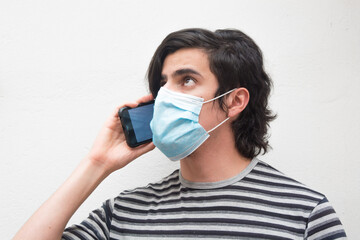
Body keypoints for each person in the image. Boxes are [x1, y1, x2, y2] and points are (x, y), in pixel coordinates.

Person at [13, 28, 347, 240]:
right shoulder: (126, 212)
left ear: (234, 101)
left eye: (186, 80)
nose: (165, 97)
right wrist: (97, 163)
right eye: (162, 84)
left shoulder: (304, 212)